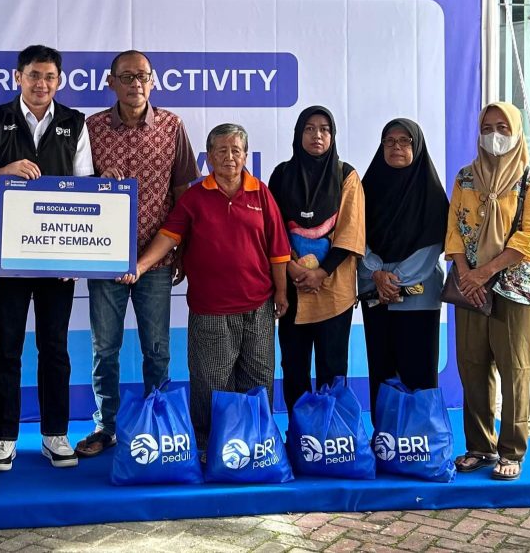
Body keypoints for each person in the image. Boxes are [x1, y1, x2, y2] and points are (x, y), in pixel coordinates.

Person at [0, 44, 93, 470]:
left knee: (54, 347)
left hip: (58, 261)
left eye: (50, 77)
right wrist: (5, 171)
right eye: (34, 75)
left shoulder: (74, 122)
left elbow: (86, 189)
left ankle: (56, 434)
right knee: (7, 348)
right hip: (7, 259)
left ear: (59, 81)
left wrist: (76, 259)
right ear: (18, 77)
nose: (42, 84)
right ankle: (3, 438)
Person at [119, 123, 289, 451]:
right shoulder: (195, 197)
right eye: (221, 150)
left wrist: (281, 292)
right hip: (210, 309)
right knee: (211, 384)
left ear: (246, 155)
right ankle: (208, 446)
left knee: (258, 380)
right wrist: (140, 266)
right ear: (208, 156)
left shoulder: (261, 193)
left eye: (236, 150)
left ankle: (258, 443)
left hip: (258, 307)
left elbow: (278, 249)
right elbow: (169, 235)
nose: (229, 157)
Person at [76, 50, 199, 458]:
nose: (135, 84)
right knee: (104, 348)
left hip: (157, 258)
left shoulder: (172, 126)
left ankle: (157, 420)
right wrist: (97, 180)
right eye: (126, 77)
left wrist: (182, 249)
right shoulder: (91, 127)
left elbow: (183, 193)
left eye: (142, 76)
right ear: (111, 82)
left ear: (153, 81)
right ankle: (105, 426)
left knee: (157, 348)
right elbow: (74, 187)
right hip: (103, 257)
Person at [447, 102, 530, 481]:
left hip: (512, 290)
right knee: (472, 366)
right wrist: (465, 274)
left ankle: (512, 450)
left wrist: (484, 273)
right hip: (469, 288)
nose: (494, 135)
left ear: (516, 131)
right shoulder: (465, 177)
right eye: (487, 127)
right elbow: (454, 230)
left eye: (502, 127)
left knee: (514, 369)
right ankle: (480, 446)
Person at [268, 106, 365, 412]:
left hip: (334, 289)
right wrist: (291, 266)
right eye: (309, 129)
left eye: (324, 129)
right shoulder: (282, 175)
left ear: (332, 135)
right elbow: (273, 228)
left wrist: (321, 272)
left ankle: (333, 432)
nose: (317, 135)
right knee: (294, 366)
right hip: (293, 287)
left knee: (332, 367)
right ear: (298, 134)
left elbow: (351, 230)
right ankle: (300, 431)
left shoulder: (346, 175)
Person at [357, 119, 449, 418]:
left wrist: (394, 280)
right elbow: (353, 234)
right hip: (375, 294)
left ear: (417, 146)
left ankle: (420, 435)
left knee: (418, 370)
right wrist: (376, 273)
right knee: (382, 369)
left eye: (405, 141)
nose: (396, 147)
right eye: (390, 141)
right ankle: (386, 434)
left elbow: (433, 243)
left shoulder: (431, 193)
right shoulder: (365, 190)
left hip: (418, 296)